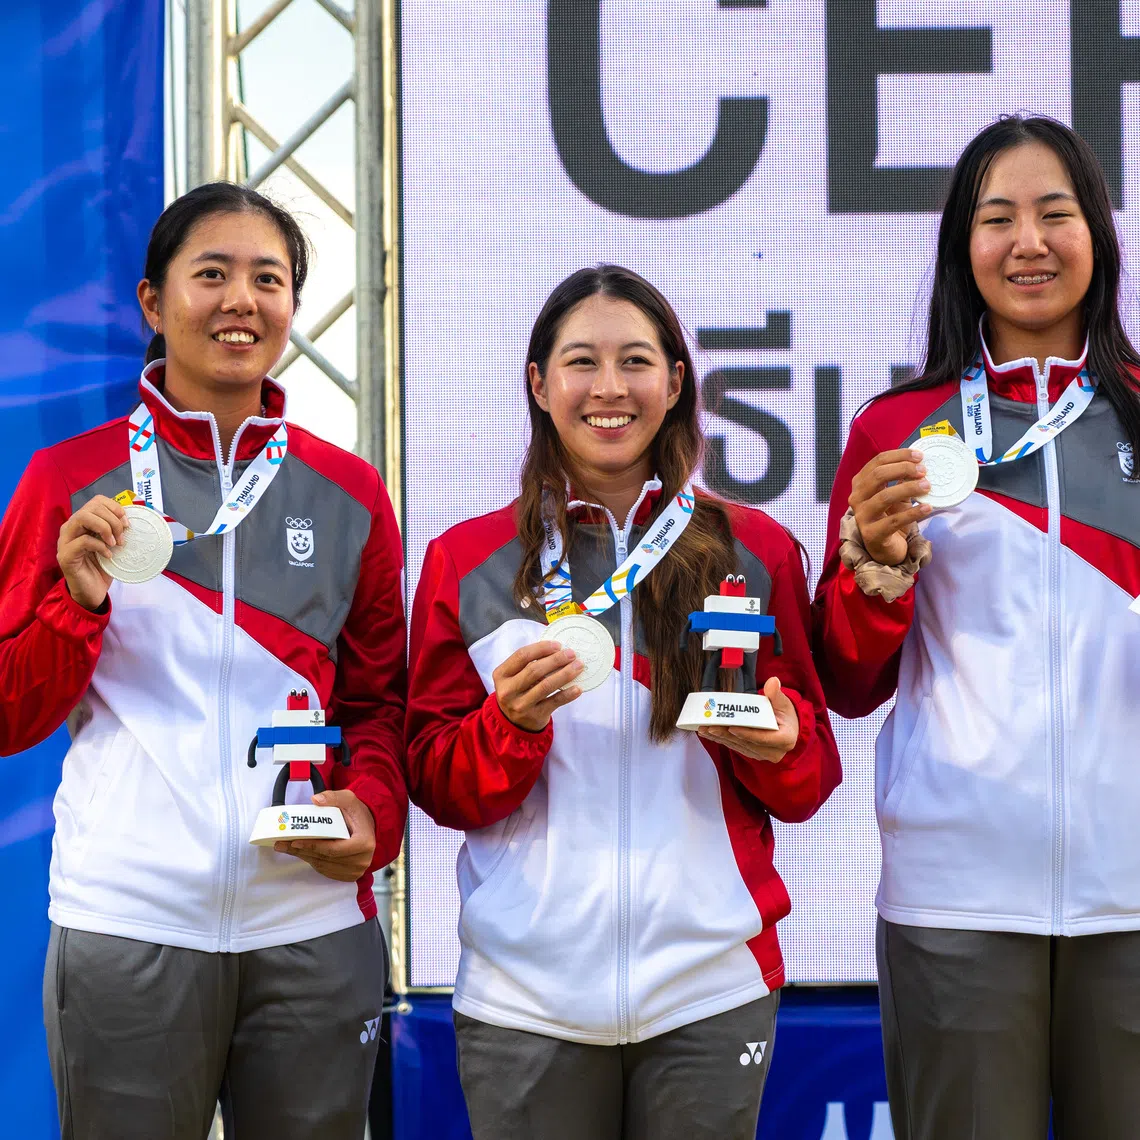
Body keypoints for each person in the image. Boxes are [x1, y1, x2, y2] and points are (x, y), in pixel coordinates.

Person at [0, 182, 407, 1139]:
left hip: (310, 926)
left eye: (268, 279)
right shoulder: (67, 481)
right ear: (153, 301)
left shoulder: (349, 493)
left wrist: (374, 811)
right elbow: (9, 715)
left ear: (293, 306)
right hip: (129, 920)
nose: (241, 301)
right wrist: (79, 603)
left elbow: (382, 703)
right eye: (211, 274)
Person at [406, 264, 841, 1140]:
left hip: (709, 990)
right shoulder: (468, 560)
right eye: (580, 362)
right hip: (525, 999)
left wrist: (782, 748)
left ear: (676, 382)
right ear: (538, 383)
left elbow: (810, 778)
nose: (610, 389)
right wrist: (510, 727)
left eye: (636, 361)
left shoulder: (752, 550)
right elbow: (436, 781)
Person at [813, 115, 1140, 1140]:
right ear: (963, 247)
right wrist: (876, 579)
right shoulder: (895, 433)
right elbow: (847, 677)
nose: (1029, 242)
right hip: (954, 897)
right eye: (998, 218)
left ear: (1099, 235)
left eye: (1056, 213)